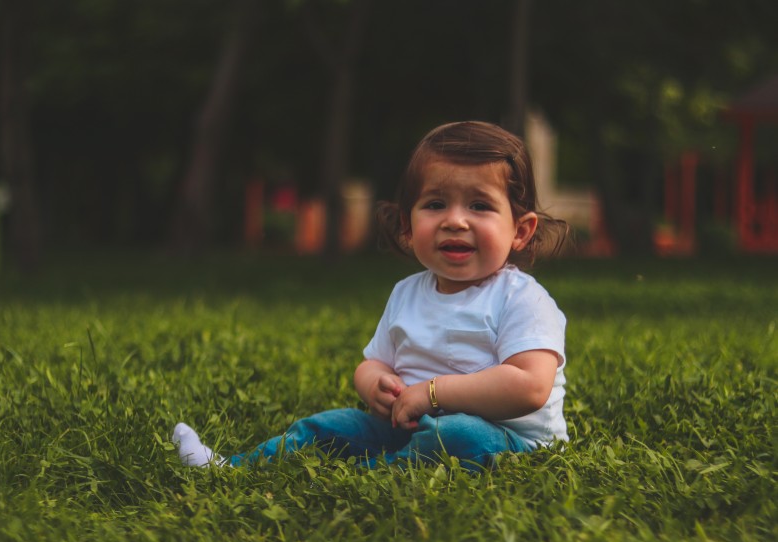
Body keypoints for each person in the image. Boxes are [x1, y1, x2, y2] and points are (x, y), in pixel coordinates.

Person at [173, 121, 570, 470]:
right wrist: (377, 385)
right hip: (404, 424)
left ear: (520, 230)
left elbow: (528, 386)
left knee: (459, 435)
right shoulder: (406, 293)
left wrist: (432, 394)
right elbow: (372, 363)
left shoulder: (522, 299)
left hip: (505, 438)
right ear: (407, 226)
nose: (454, 220)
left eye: (480, 205)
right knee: (328, 426)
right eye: (435, 204)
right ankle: (232, 467)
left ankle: (376, 476)